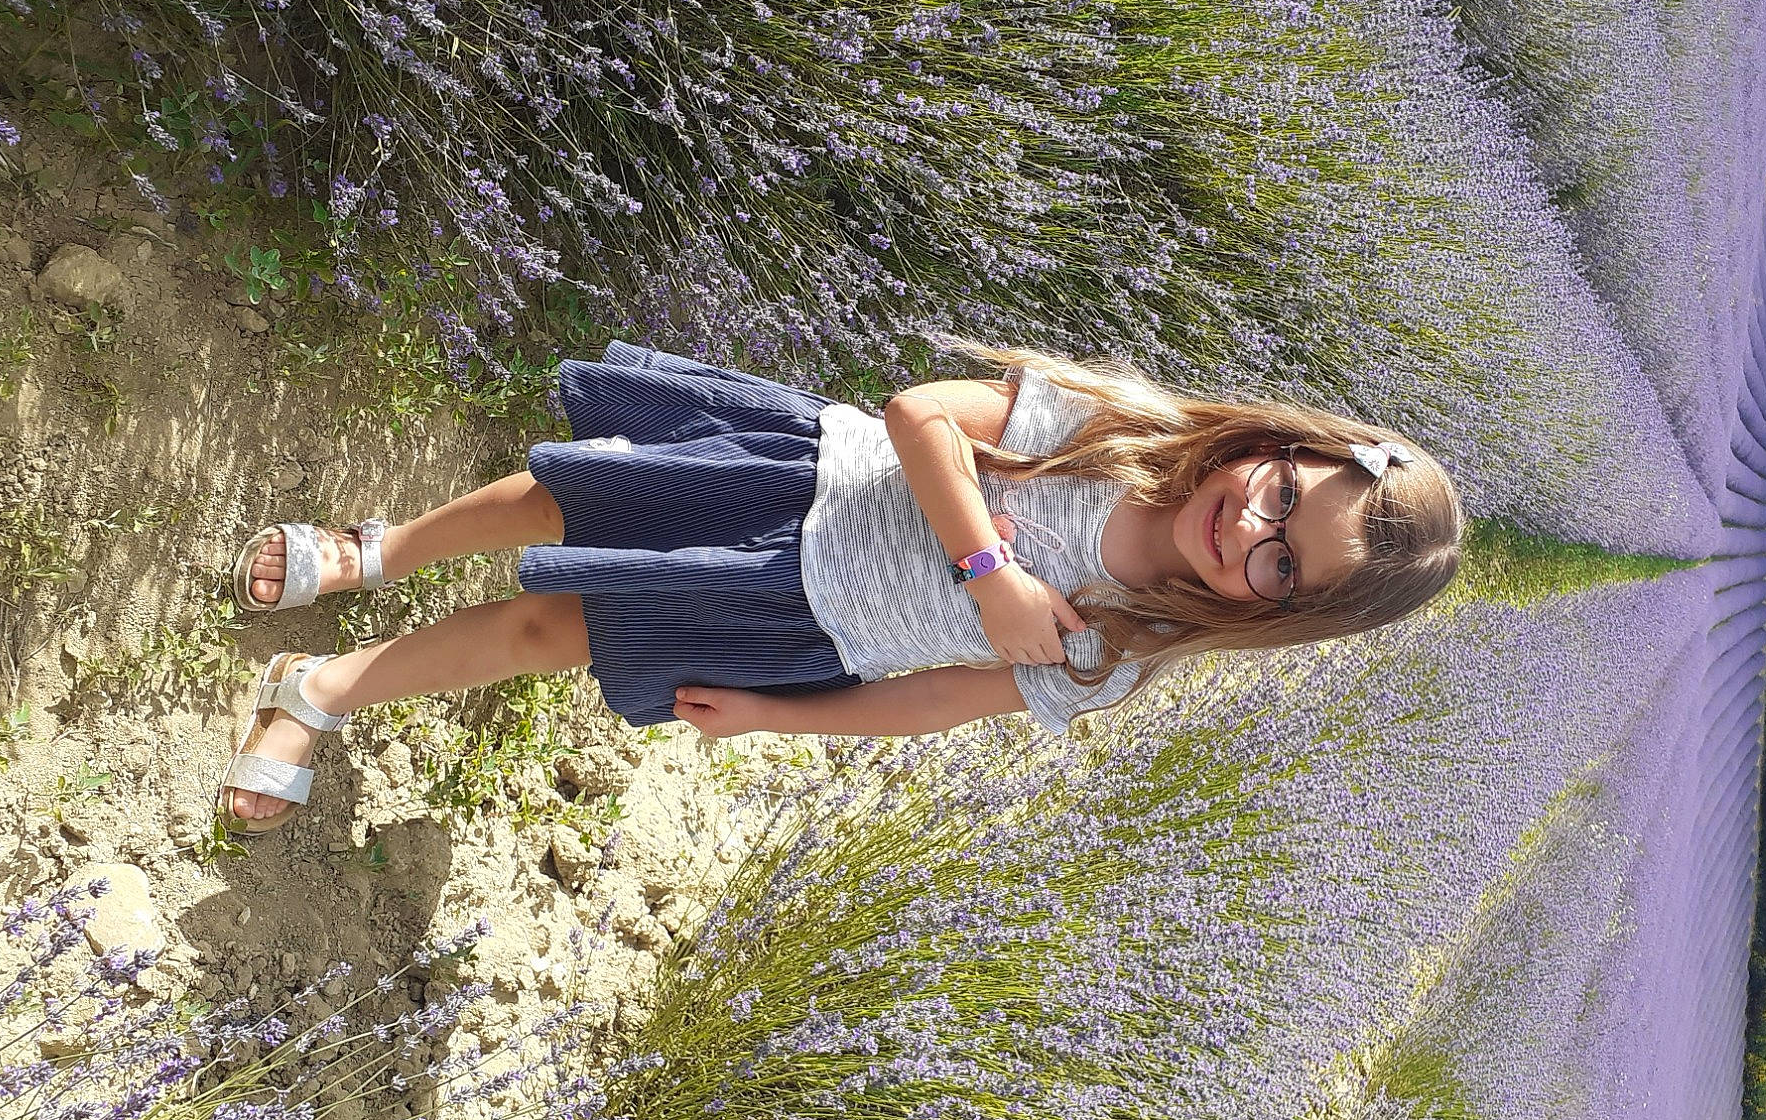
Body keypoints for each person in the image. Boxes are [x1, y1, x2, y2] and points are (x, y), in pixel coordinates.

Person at [216, 337, 1465, 835]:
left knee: (556, 627)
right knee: (559, 497)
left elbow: (933, 704)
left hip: (798, 621)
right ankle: (374, 551)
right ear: (1292, 446)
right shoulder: (1117, 432)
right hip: (798, 483)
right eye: (1286, 495)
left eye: (1280, 564)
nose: (1253, 523)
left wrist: (781, 715)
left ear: (1277, 611)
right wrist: (988, 573)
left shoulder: (1119, 651)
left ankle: (322, 689)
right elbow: (921, 413)